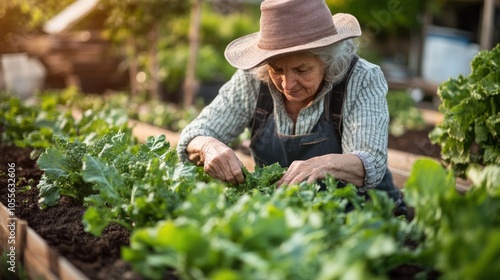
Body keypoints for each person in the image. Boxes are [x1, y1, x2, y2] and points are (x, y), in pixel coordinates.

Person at [177, 0, 405, 210]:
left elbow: (370, 161)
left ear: (328, 60)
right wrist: (208, 146)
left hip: (365, 219)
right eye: (277, 69)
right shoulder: (253, 78)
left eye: (301, 70)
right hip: (288, 220)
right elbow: (195, 134)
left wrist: (322, 165)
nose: (287, 84)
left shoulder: (362, 78)